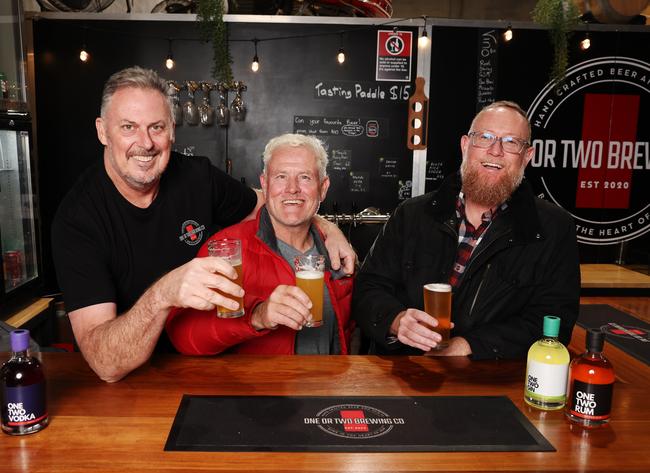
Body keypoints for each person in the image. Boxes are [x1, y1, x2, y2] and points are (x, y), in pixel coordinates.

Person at [51, 67, 355, 382]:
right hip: (126, 383)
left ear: (171, 131)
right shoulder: (78, 219)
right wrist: (164, 293)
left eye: (157, 127)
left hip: (202, 372)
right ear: (102, 131)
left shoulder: (195, 177)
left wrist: (326, 228)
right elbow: (105, 364)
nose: (145, 143)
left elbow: (275, 201)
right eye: (128, 127)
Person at [353, 100, 580, 358]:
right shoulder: (411, 214)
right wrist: (396, 320)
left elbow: (554, 322)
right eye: (484, 137)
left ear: (527, 157)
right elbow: (368, 288)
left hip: (487, 384)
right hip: (401, 373)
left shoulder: (553, 228)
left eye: (511, 142)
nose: (495, 151)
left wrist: (468, 346)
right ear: (465, 146)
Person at [166, 134, 354, 355]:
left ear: (323, 187)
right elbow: (183, 336)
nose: (292, 188)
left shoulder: (337, 254)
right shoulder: (226, 249)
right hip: (261, 388)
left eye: (305, 177)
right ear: (264, 185)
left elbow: (346, 332)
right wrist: (257, 316)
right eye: (281, 177)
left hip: (327, 387)